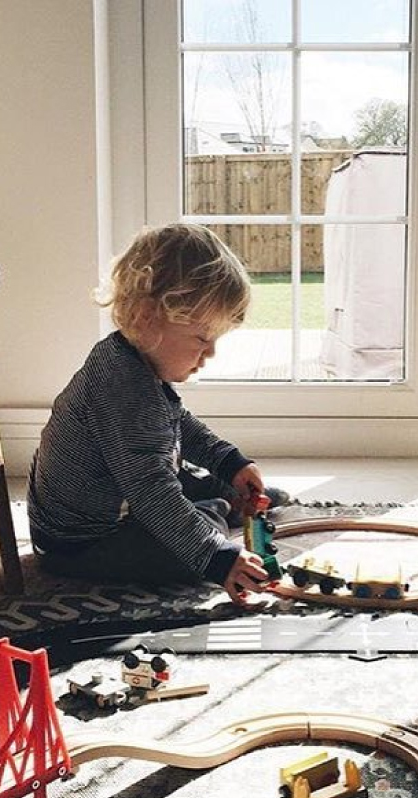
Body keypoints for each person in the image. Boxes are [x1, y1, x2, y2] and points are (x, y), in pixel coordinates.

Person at [28, 223, 288, 603]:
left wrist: (227, 462)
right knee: (188, 552)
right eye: (202, 339)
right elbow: (152, 492)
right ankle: (215, 511)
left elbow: (178, 422)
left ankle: (222, 497)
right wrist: (217, 557)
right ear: (148, 317)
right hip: (81, 542)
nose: (210, 353)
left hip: (120, 489)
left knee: (184, 477)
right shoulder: (123, 389)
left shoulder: (129, 360)